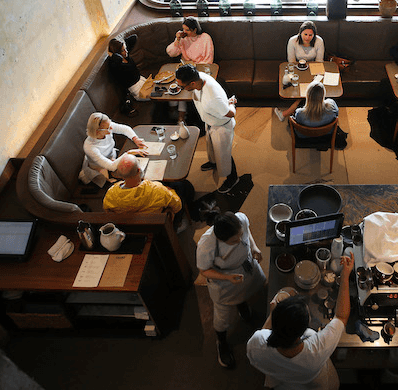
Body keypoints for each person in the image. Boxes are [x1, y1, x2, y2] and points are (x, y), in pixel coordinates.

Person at [247, 254, 354, 390]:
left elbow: (262, 334)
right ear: (303, 330)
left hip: (282, 381)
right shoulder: (316, 350)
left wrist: (272, 315)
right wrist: (345, 275)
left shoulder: (257, 344)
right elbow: (341, 316)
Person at [197, 208, 266, 369]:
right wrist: (227, 278)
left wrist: (254, 247)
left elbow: (247, 233)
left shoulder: (240, 219)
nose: (239, 240)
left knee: (248, 289)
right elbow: (204, 270)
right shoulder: (207, 244)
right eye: (234, 240)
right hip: (225, 280)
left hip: (246, 267)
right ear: (221, 239)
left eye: (239, 235)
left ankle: (242, 306)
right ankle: (221, 342)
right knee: (223, 317)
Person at [175, 64, 240, 193]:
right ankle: (214, 163)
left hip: (222, 126)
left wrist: (231, 104)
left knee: (224, 154)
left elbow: (230, 113)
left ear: (192, 83)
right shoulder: (200, 77)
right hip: (210, 122)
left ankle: (233, 178)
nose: (180, 88)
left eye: (182, 86)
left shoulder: (213, 97)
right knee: (211, 147)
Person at [274, 21, 326, 121]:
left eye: (310, 35)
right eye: (305, 34)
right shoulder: (293, 41)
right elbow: (291, 62)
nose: (307, 37)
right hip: (298, 68)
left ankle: (287, 113)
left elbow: (319, 61)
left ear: (314, 35)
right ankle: (308, 114)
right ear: (300, 33)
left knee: (311, 90)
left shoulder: (319, 41)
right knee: (306, 91)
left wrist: (314, 75)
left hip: (313, 69)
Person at [78, 113, 147, 187]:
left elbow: (124, 129)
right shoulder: (90, 148)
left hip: (112, 157)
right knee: (133, 174)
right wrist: (129, 153)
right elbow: (111, 166)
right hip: (103, 168)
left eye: (110, 124)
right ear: (98, 131)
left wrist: (135, 139)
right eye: (108, 128)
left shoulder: (107, 126)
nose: (111, 128)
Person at [102, 154, 182, 214]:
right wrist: (170, 190)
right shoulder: (157, 189)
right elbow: (177, 206)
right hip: (156, 224)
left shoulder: (111, 194)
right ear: (139, 170)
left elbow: (108, 211)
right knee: (183, 185)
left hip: (133, 228)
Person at [107, 36, 151, 109]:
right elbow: (116, 59)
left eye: (126, 49)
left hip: (143, 81)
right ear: (117, 54)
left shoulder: (126, 56)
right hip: (137, 90)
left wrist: (122, 43)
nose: (126, 51)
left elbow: (134, 38)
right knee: (158, 95)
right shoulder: (116, 64)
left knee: (161, 88)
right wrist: (112, 54)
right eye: (123, 50)